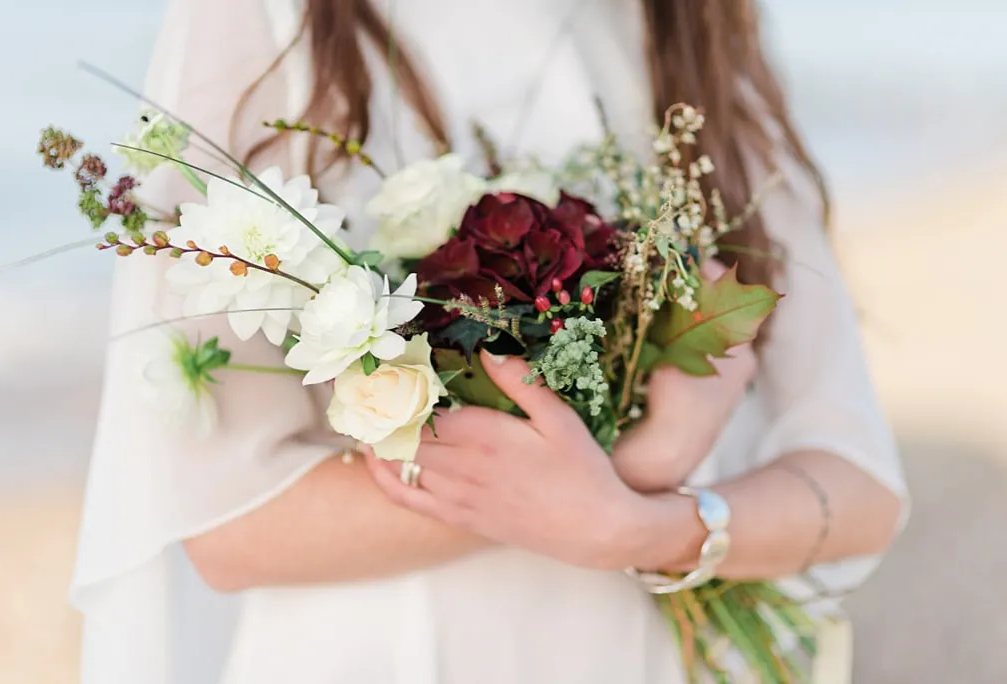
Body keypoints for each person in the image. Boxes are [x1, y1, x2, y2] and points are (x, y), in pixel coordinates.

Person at [70, 0, 908, 682]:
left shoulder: (686, 26)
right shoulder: (269, 21)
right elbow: (230, 525)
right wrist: (636, 463)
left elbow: (860, 483)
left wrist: (645, 531)